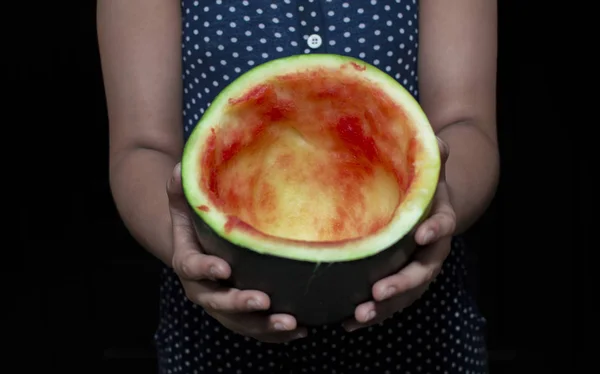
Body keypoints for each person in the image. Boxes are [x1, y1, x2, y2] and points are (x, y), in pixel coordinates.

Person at [98, 0, 499, 372]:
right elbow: (141, 146)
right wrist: (185, 248)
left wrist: (442, 211)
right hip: (213, 345)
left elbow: (466, 122)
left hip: (422, 342)